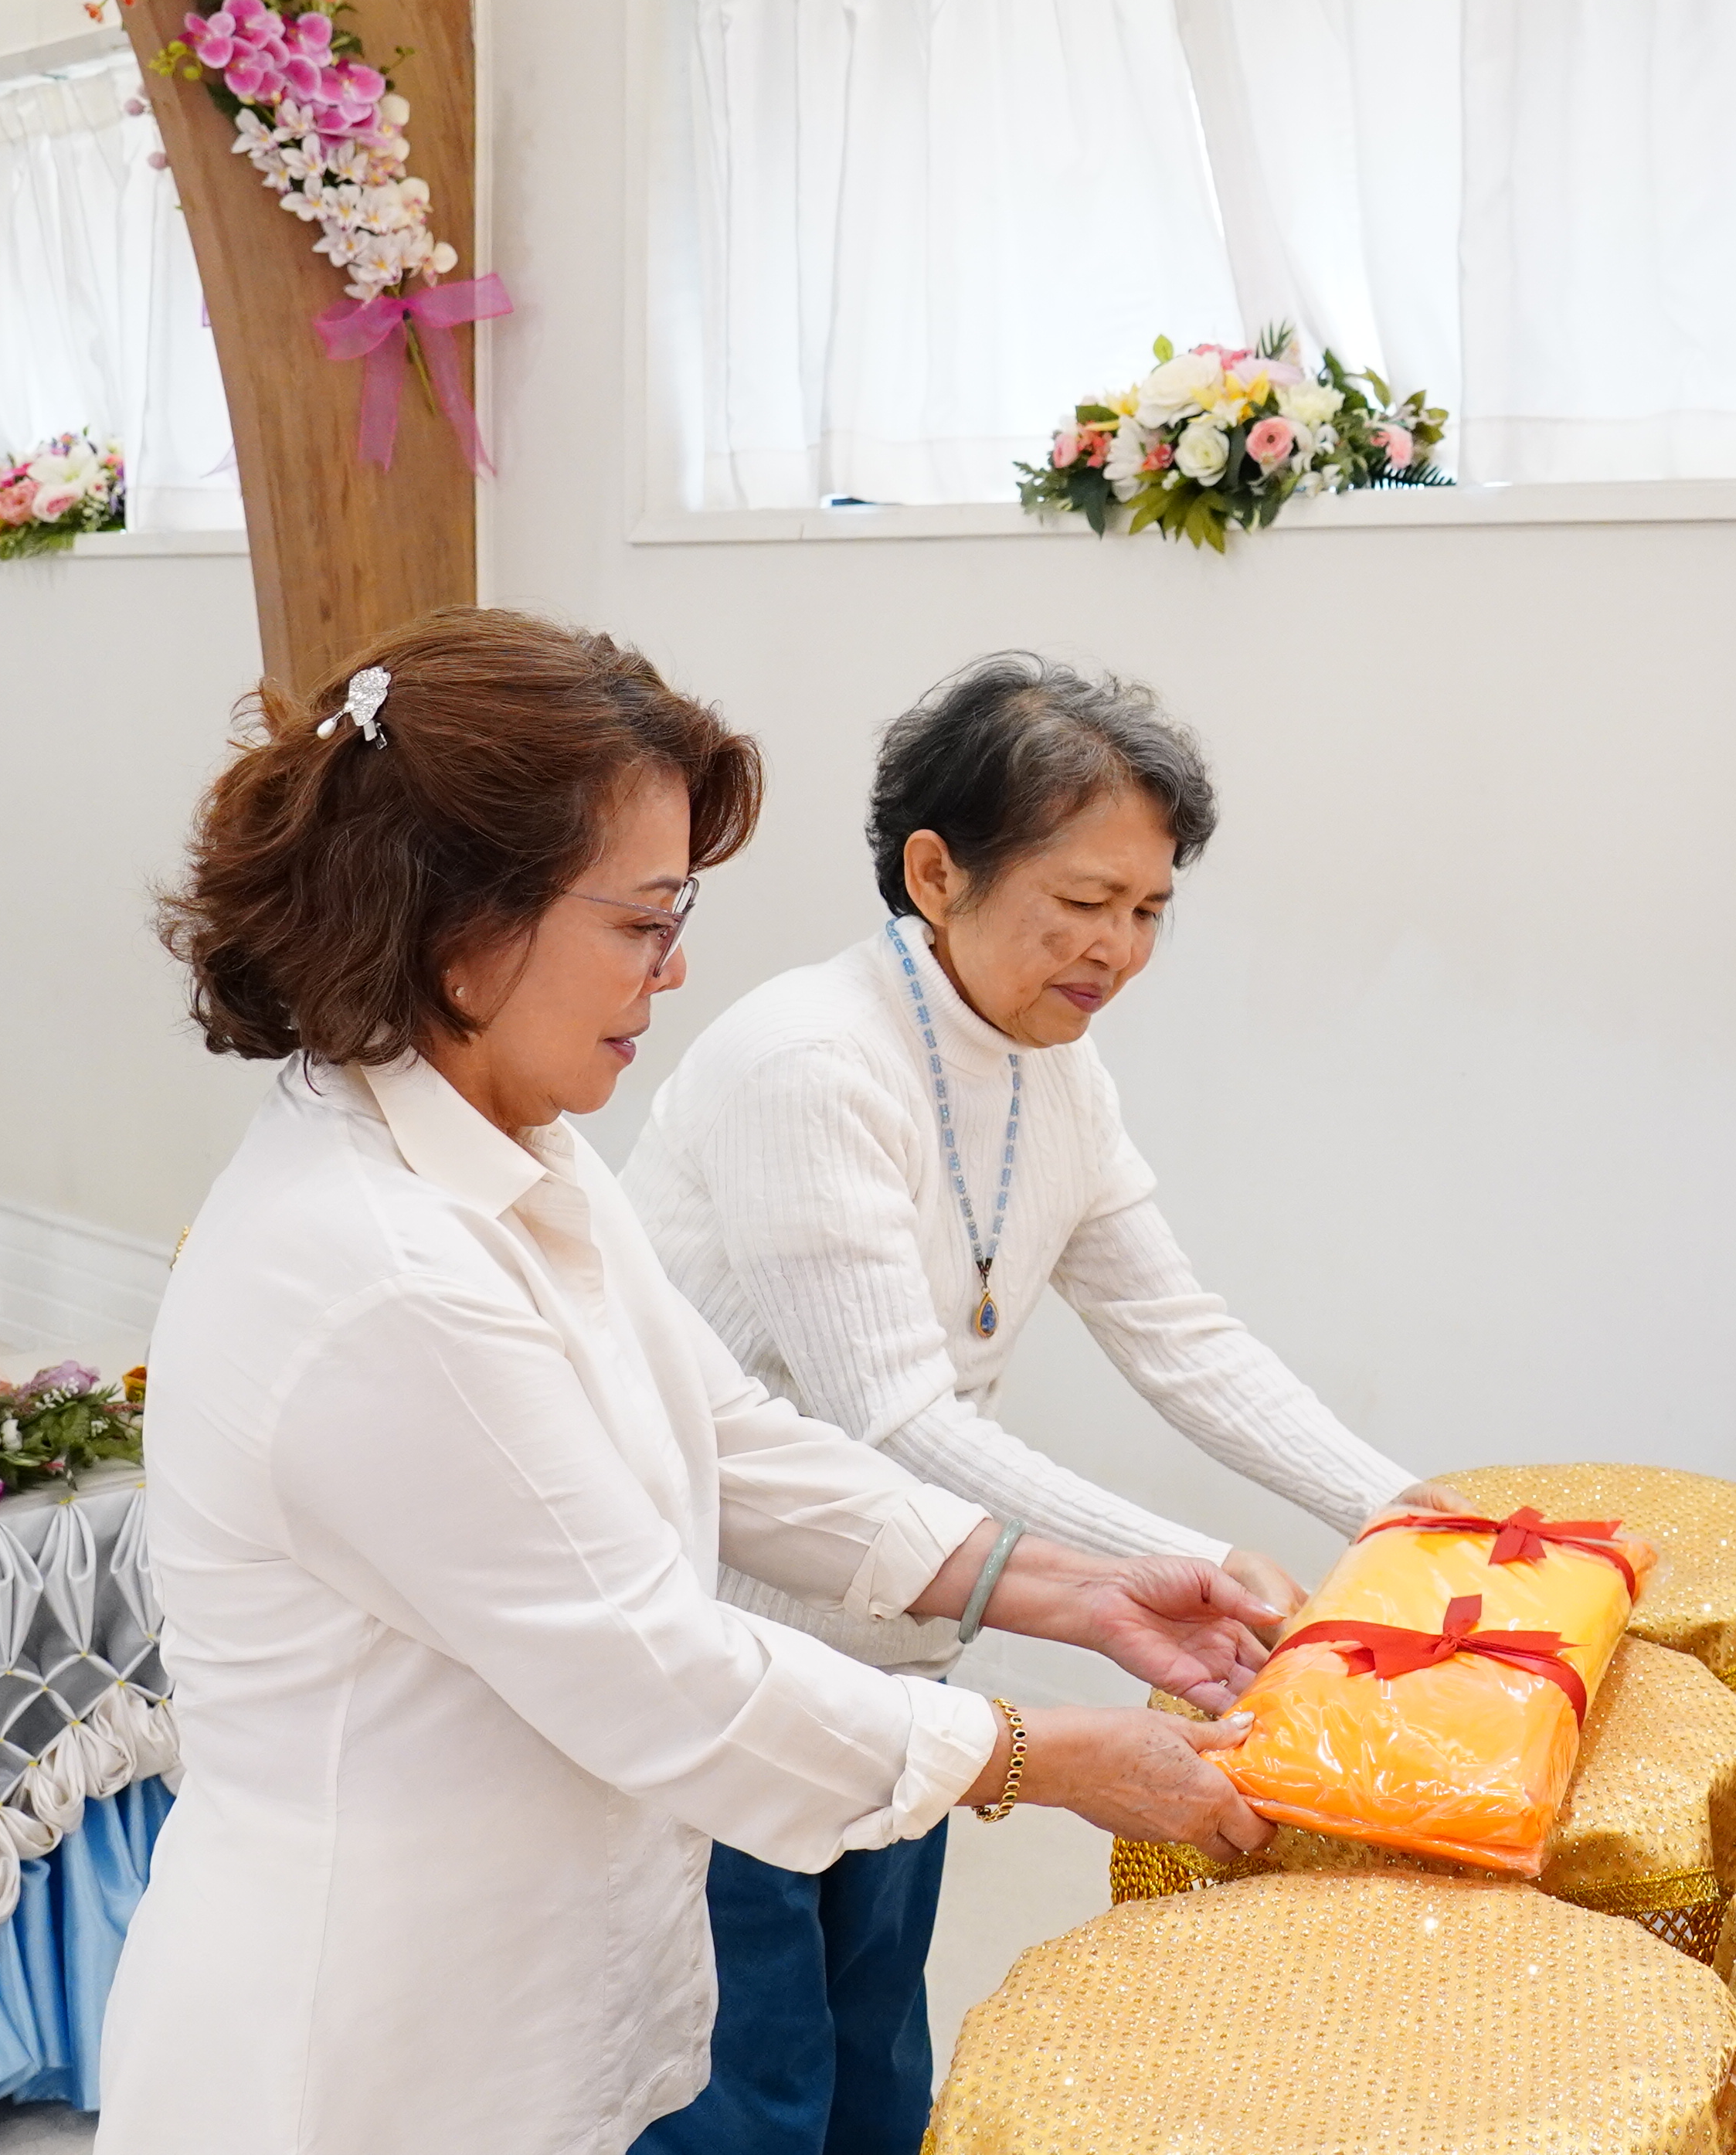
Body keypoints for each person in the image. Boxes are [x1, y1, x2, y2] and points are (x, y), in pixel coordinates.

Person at [99, 610, 1278, 2155]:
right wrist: (1044, 1754)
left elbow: (728, 1430)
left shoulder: (515, 1138)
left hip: (537, 1973)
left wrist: (1081, 1586)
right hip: (371, 2041)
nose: (676, 967)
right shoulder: (380, 1265)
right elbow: (661, 1673)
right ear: (459, 918)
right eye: (644, 919)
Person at [623, 654, 1443, 2155]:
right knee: (746, 2084)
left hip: (905, 1650)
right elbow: (896, 1419)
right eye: (1083, 900)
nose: (1118, 947)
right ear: (935, 870)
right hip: (729, 1643)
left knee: (876, 2055)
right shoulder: (811, 1058)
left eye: (1147, 910)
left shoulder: (1058, 1071)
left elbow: (1180, 1329)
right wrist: (1170, 1559)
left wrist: (1400, 1508)